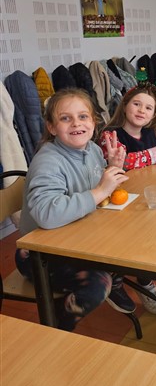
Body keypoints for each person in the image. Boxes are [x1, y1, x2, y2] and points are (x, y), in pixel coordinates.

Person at [16, 88, 128, 331]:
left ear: (94, 122)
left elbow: (94, 189)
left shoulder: (93, 150)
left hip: (77, 240)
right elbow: (46, 214)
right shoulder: (48, 161)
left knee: (126, 246)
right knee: (98, 284)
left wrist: (112, 167)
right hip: (39, 255)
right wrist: (100, 191)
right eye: (66, 118)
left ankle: (116, 284)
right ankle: (57, 326)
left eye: (83, 116)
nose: (76, 123)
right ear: (51, 127)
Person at [99, 84, 156, 315]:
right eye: (136, 104)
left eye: (148, 108)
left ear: (154, 114)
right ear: (125, 106)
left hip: (145, 198)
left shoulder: (151, 132)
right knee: (129, 234)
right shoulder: (111, 135)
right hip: (118, 204)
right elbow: (124, 162)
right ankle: (117, 277)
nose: (141, 111)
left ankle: (143, 276)